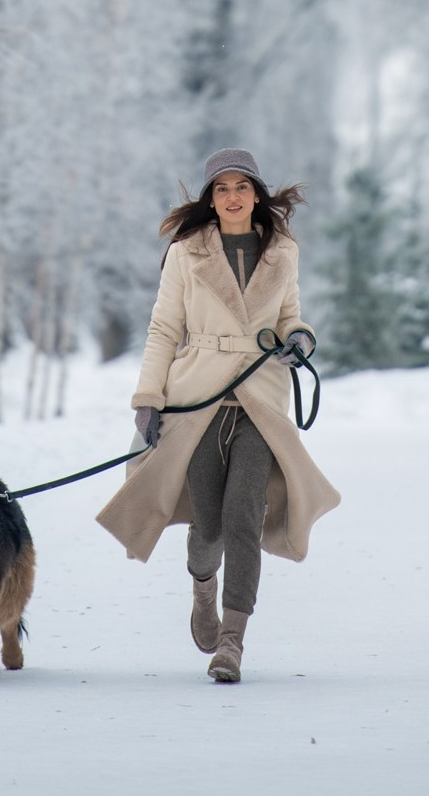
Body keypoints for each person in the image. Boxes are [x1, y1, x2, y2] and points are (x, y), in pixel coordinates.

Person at [96, 147, 341, 683]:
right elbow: (164, 329)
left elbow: (291, 315)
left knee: (243, 517)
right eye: (222, 188)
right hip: (199, 397)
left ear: (256, 194)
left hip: (261, 396)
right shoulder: (187, 253)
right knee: (208, 526)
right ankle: (202, 588)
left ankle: (232, 642)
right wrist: (148, 398)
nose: (232, 197)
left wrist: (300, 338)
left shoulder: (282, 250)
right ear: (211, 199)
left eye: (241, 187)